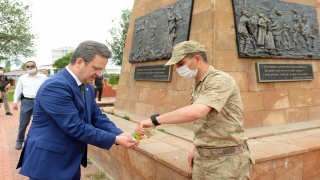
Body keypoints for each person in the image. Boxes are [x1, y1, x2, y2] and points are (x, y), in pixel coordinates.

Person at [16, 40, 139, 180]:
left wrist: (119, 133)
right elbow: (75, 127)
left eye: (102, 70)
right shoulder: (55, 86)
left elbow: (96, 116)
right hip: (49, 162)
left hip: (70, 160)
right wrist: (114, 139)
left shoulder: (86, 87)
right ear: (79, 62)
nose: (99, 74)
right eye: (97, 68)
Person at [135, 40, 254, 180]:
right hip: (203, 160)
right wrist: (196, 149)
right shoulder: (197, 85)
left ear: (197, 59)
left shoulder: (220, 80)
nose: (178, 69)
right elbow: (203, 121)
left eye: (181, 64)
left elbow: (198, 111)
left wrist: (154, 120)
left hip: (226, 162)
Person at [12, 61, 48, 150]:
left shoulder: (43, 77)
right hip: (26, 102)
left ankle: (38, 141)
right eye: (28, 66)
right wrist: (15, 102)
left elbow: (49, 87)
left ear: (36, 67)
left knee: (40, 122)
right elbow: (18, 90)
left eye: (32, 66)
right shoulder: (22, 78)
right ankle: (19, 141)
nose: (30, 68)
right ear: (26, 68)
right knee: (23, 123)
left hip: (40, 102)